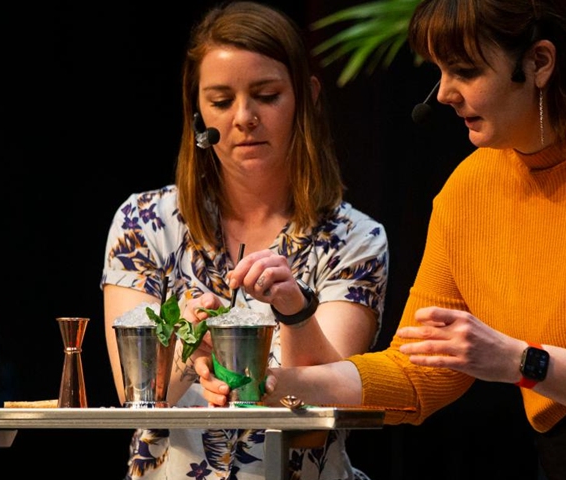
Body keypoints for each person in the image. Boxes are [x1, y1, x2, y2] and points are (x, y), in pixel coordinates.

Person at [197, 0, 566, 478]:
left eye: (466, 71)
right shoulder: (468, 189)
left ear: (539, 62)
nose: (443, 93)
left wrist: (520, 361)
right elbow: (417, 374)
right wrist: (279, 385)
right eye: (441, 71)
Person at [100, 2, 389, 479]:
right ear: (197, 112)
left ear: (307, 97)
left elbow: (321, 396)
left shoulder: (355, 238)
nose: (244, 117)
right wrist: (188, 347)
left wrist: (295, 312)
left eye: (267, 95)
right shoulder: (142, 222)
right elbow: (140, 400)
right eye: (220, 100)